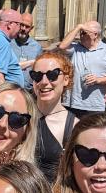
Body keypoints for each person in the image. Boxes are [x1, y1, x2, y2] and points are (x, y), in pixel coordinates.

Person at [57, 20, 106, 119]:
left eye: (84, 32)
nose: (81, 35)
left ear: (95, 34)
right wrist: (78, 27)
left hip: (94, 105)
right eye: (80, 32)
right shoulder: (76, 48)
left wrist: (98, 80)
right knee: (70, 134)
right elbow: (62, 46)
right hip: (71, 104)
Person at [30, 50, 75, 182]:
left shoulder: (74, 126)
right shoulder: (21, 114)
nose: (44, 81)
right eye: (37, 76)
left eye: (52, 75)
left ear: (66, 79)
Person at [0, 7, 26, 84]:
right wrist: (3, 95)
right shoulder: (2, 42)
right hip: (8, 93)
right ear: (10, 24)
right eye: (20, 24)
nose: (22, 28)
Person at [13, 10, 43, 87]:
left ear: (31, 28)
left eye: (27, 26)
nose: (23, 28)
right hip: (10, 89)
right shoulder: (8, 43)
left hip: (28, 92)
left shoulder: (37, 47)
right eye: (22, 25)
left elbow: (39, 70)